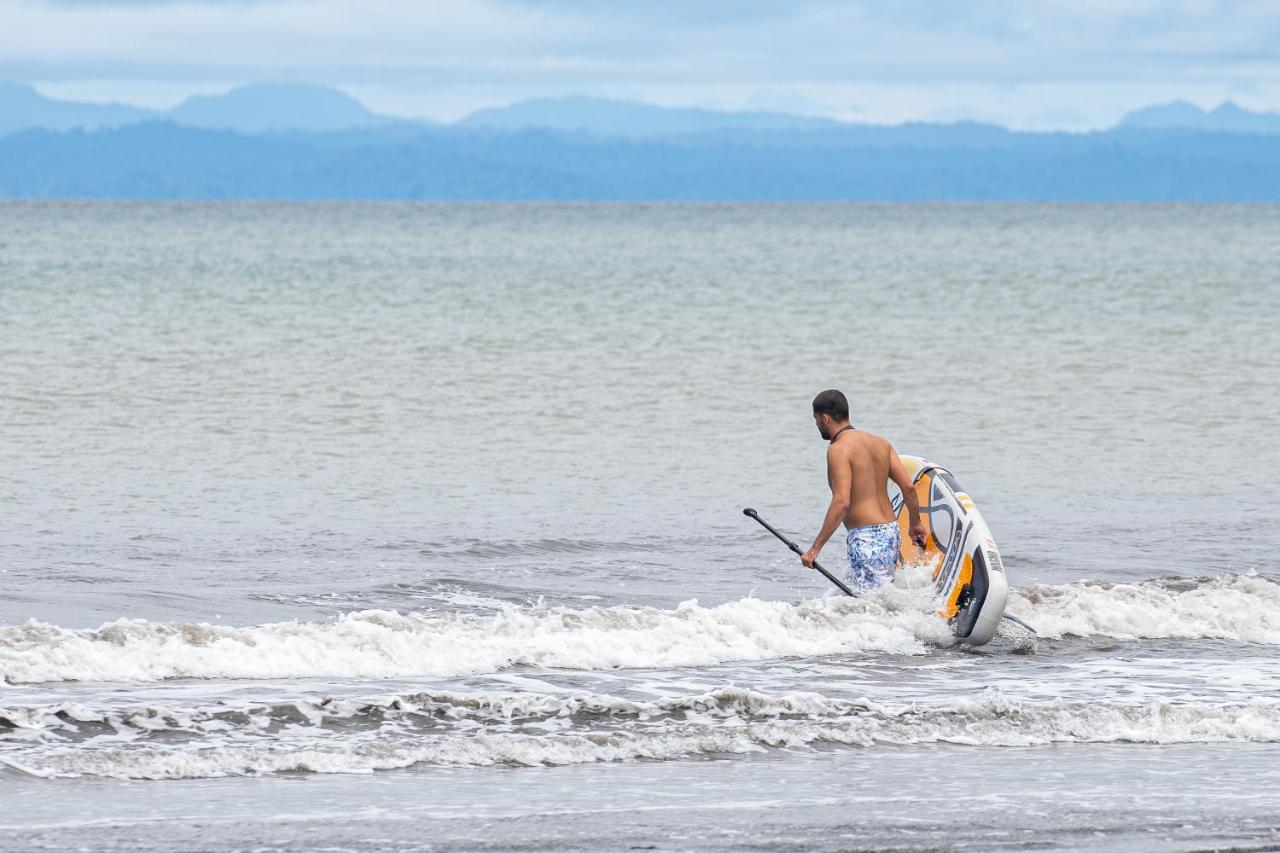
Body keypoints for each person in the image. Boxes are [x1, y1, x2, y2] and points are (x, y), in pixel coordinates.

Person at [800, 389, 927, 591]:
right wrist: (915, 523)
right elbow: (908, 487)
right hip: (891, 532)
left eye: (816, 419)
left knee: (871, 603)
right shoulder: (881, 443)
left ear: (825, 417)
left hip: (866, 538)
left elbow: (841, 502)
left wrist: (815, 549)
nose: (816, 425)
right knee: (879, 596)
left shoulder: (838, 449)